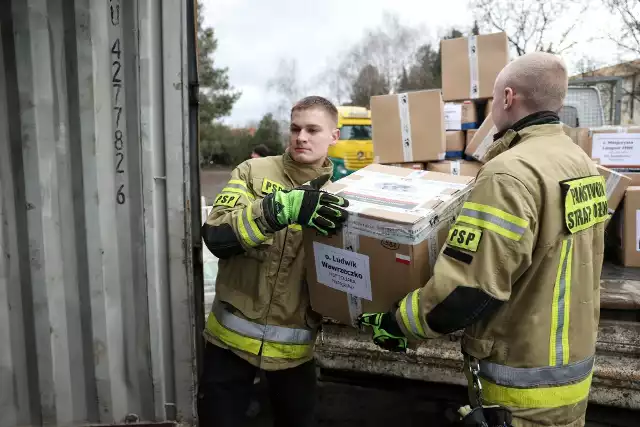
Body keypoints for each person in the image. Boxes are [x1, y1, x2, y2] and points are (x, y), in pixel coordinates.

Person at [359, 52, 606, 427]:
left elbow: (468, 290)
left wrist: (398, 323)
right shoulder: (581, 163)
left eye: (493, 99)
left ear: (508, 98)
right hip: (570, 376)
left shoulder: (510, 172)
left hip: (520, 385)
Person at [198, 96, 349, 427]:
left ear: (334, 137)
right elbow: (215, 235)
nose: (301, 137)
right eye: (295, 128)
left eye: (312, 129)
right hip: (228, 345)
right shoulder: (253, 171)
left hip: (294, 354)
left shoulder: (343, 195)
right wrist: (274, 211)